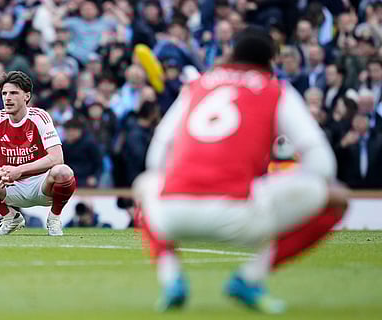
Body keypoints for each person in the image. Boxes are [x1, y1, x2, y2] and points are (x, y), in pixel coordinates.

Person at [133, 26, 350, 314]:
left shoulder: (199, 85)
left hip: (173, 215)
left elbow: (156, 155)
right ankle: (250, 278)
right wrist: (277, 188)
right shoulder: (275, 90)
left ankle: (171, 278)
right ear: (271, 62)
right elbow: (322, 165)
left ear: (231, 54)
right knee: (337, 198)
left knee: (143, 184)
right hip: (239, 214)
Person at [0, 70, 76, 236]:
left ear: (27, 96)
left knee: (63, 172)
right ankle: (10, 216)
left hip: (41, 184)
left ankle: (54, 218)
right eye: (4, 93)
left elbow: (57, 158)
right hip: (8, 185)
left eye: (13, 93)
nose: (7, 98)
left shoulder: (40, 117)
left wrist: (20, 170)